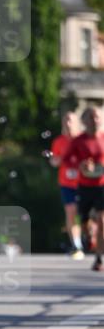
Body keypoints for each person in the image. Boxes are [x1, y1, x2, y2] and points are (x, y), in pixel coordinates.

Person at [63, 105, 104, 271]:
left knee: (102, 220)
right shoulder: (78, 141)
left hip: (102, 185)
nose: (94, 120)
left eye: (97, 117)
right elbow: (66, 160)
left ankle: (99, 258)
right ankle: (89, 236)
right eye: (91, 117)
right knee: (85, 221)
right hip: (85, 186)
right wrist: (80, 165)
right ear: (84, 121)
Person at [49, 110, 84, 259]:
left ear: (77, 123)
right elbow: (53, 160)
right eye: (66, 121)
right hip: (66, 183)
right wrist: (56, 160)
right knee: (71, 212)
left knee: (93, 214)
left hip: (86, 183)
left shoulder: (84, 140)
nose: (68, 124)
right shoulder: (59, 142)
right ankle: (77, 245)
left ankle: (93, 239)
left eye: (71, 121)